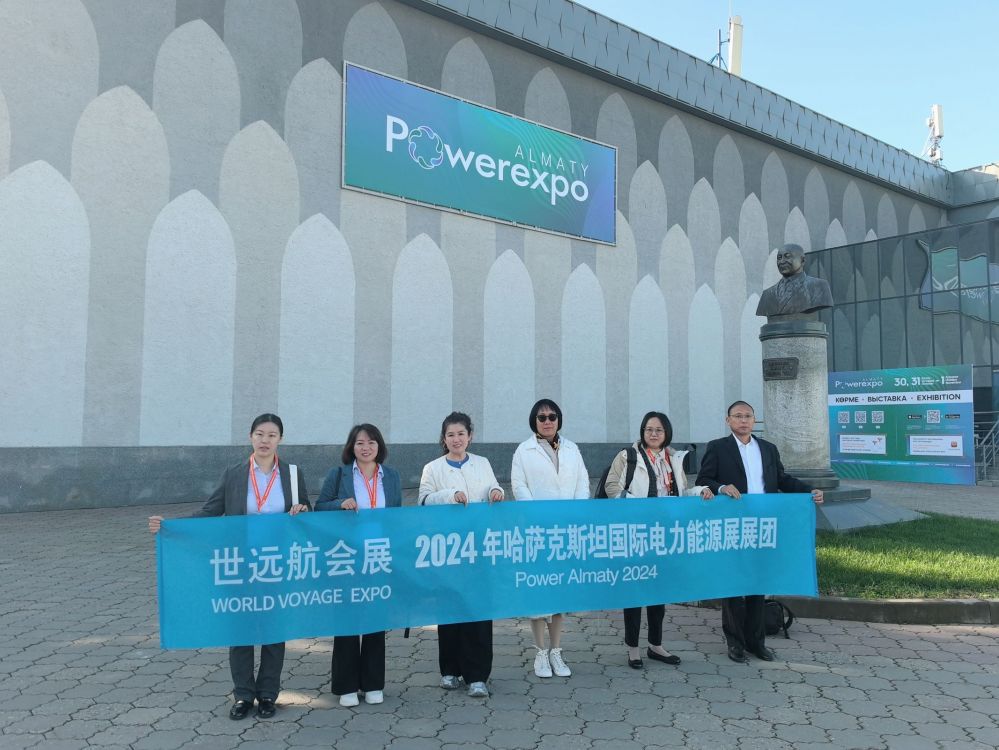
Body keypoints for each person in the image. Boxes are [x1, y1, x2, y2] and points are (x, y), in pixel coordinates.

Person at [148, 413, 310, 721]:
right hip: (241, 562)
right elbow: (212, 510)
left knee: (274, 628)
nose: (265, 440)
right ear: (251, 437)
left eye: (272, 435)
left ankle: (268, 694)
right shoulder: (235, 474)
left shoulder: (291, 474)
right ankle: (243, 695)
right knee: (241, 628)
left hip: (277, 563)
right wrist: (171, 526)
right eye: (260, 434)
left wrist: (302, 509)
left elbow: (305, 511)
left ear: (280, 439)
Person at [695, 401, 824, 664]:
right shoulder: (718, 447)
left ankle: (757, 642)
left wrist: (807, 491)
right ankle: (735, 642)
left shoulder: (767, 449)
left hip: (763, 526)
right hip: (733, 527)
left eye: (748, 416)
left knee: (758, 583)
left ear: (754, 420)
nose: (743, 420)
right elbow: (703, 480)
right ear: (728, 420)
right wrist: (721, 488)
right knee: (733, 584)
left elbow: (782, 479)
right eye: (738, 416)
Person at [604, 411, 714, 669]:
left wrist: (701, 491)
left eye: (659, 430)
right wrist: (640, 507)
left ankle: (656, 645)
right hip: (636, 533)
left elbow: (681, 492)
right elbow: (611, 486)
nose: (653, 434)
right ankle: (633, 648)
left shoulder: (673, 459)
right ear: (642, 432)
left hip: (664, 535)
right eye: (649, 429)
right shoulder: (627, 456)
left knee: (658, 590)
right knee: (634, 592)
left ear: (667, 433)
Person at [315, 423, 402, 708]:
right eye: (360, 443)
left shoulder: (391, 476)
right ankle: (346, 686)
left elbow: (397, 517)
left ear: (380, 447)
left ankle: (373, 683)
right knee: (348, 620)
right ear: (351, 447)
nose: (366, 448)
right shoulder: (339, 474)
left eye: (371, 442)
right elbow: (319, 507)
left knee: (376, 620)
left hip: (379, 556)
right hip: (347, 557)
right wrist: (339, 504)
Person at [419, 412, 505, 698]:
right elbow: (424, 500)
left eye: (461, 434)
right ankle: (450, 670)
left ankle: (477, 675)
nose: (456, 439)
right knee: (450, 609)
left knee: (478, 610)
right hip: (448, 549)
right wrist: (451, 495)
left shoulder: (482, 463)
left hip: (478, 547)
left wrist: (496, 491)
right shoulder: (432, 468)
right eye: (450, 435)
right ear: (443, 439)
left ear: (470, 436)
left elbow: (492, 486)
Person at [510, 398, 590, 679]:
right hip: (538, 531)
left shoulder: (571, 448)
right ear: (534, 421)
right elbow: (519, 486)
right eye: (541, 417)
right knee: (538, 592)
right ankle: (540, 652)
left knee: (559, 591)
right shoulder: (524, 450)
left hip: (565, 531)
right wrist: (537, 516)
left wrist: (575, 514)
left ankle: (556, 650)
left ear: (559, 420)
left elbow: (582, 482)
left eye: (552, 417)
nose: (547, 421)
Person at [755, 243, 834, 319]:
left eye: (787, 257)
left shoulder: (819, 286)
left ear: (802, 261)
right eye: (779, 258)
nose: (782, 261)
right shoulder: (767, 294)